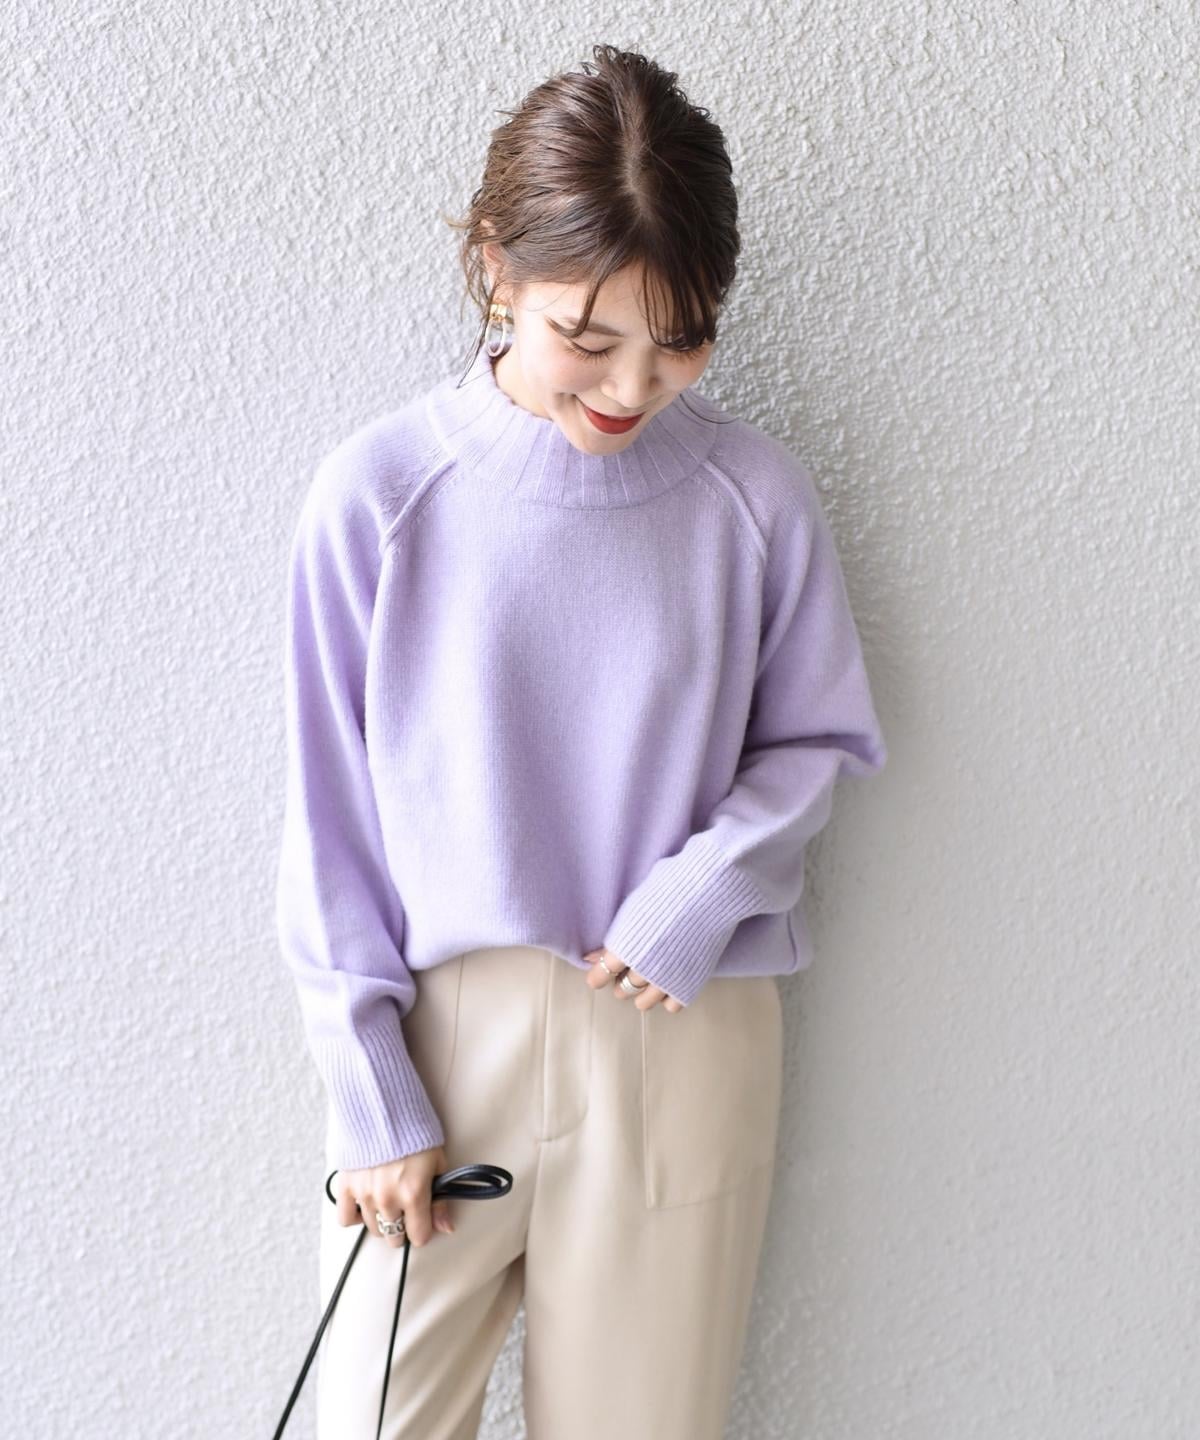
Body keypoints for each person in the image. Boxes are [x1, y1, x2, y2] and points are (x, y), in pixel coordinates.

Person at [274, 43, 887, 1440]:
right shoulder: (381, 495)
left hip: (680, 1028)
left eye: (680, 339)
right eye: (587, 337)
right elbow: (328, 811)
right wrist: (369, 1085)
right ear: (496, 271)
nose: (632, 384)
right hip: (442, 1036)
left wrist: (706, 890)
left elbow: (814, 740)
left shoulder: (754, 502)